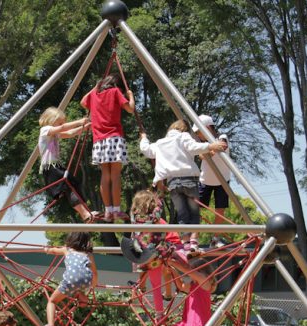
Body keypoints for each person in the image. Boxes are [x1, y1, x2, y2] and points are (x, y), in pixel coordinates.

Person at [140, 120, 227, 255]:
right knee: (194, 213)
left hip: (173, 183)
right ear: (184, 130)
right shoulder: (183, 137)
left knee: (182, 215)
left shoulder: (160, 143)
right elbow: (194, 147)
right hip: (189, 180)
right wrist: (211, 146)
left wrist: (144, 138)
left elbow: (146, 150)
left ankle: (185, 244)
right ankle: (193, 243)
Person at [81, 73, 136, 222]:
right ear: (116, 84)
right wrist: (130, 96)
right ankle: (117, 210)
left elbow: (82, 102)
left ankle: (108, 210)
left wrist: (95, 87)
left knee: (105, 175)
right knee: (115, 175)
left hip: (99, 140)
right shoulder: (115, 92)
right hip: (114, 137)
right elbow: (130, 109)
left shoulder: (94, 94)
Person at [38, 107, 97, 222]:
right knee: (69, 185)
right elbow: (63, 128)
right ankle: (85, 214)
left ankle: (86, 213)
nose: (63, 124)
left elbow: (70, 133)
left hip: (56, 166)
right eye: (60, 122)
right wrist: (80, 121)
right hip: (50, 167)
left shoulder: (54, 134)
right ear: (51, 120)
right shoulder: (45, 130)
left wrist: (84, 127)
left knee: (73, 184)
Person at [130, 189, 180, 319]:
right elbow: (159, 208)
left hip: (140, 254)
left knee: (147, 279)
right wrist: (158, 199)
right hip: (154, 254)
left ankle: (137, 295)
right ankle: (159, 314)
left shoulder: (134, 217)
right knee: (157, 285)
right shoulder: (154, 218)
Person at [40, 232, 97, 326]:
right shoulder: (88, 255)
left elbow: (53, 251)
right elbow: (95, 273)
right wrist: (92, 287)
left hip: (71, 280)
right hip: (86, 280)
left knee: (52, 301)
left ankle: (50, 325)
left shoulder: (67, 249)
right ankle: (83, 297)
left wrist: (46, 249)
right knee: (79, 289)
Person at [194, 114, 231, 248]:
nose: (198, 135)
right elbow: (201, 155)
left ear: (208, 128)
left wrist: (211, 148)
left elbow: (222, 145)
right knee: (197, 209)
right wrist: (210, 149)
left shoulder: (222, 136)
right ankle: (194, 239)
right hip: (205, 180)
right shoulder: (202, 144)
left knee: (220, 209)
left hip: (222, 180)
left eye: (199, 131)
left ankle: (216, 238)